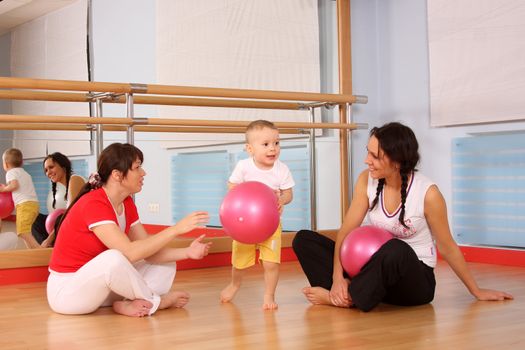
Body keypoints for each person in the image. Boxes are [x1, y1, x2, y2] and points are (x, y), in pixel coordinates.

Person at [293, 122, 513, 312]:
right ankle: (347, 293)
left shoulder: (429, 194)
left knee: (395, 249)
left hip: (413, 284)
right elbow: (347, 230)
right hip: (373, 273)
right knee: (303, 239)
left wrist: (476, 290)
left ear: (396, 162)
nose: (366, 160)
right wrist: (337, 278)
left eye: (375, 156)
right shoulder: (366, 180)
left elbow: (447, 247)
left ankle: (345, 299)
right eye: (367, 152)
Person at [47, 143, 211, 317]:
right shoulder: (94, 203)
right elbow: (129, 253)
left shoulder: (126, 203)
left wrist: (187, 252)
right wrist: (176, 229)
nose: (143, 173)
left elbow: (148, 250)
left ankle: (129, 303)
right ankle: (156, 302)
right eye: (137, 167)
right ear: (117, 175)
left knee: (164, 263)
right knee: (114, 258)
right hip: (68, 294)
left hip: (101, 289)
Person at [220, 120, 295, 310]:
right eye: (266, 144)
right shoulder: (244, 166)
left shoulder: (282, 169)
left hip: (271, 225)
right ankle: (234, 284)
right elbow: (232, 187)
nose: (273, 149)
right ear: (250, 149)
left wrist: (282, 200)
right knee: (239, 261)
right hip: (244, 224)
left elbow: (288, 194)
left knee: (271, 263)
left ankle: (269, 295)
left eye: (277, 143)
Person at [32, 152, 86, 247]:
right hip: (73, 224)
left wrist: (49, 239)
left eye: (51, 167)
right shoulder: (67, 186)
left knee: (61, 217)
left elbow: (69, 215)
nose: (48, 172)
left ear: (63, 166)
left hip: (83, 225)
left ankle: (48, 245)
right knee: (35, 219)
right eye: (46, 170)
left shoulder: (75, 179)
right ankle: (46, 247)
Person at [0, 148, 40, 249]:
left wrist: (4, 189)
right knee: (25, 232)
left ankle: (40, 251)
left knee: (22, 232)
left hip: (25, 205)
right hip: (33, 205)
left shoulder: (11, 172)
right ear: (21, 162)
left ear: (6, 164)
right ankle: (30, 252)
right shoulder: (25, 173)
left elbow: (14, 185)